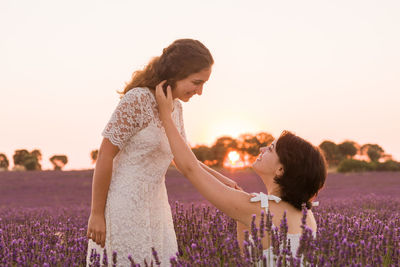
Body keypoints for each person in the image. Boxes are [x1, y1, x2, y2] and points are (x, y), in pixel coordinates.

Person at [86, 39, 239, 266]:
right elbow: (105, 155)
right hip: (124, 204)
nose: (200, 92)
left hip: (157, 207)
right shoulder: (137, 99)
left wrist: (224, 180)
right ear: (176, 73)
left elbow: (184, 158)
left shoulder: (175, 108)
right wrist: (97, 213)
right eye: (196, 82)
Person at [155, 85, 327, 266]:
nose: (262, 149)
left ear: (281, 170)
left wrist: (166, 116)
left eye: (270, 149)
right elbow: (191, 165)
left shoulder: (257, 210)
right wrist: (227, 184)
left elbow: (189, 169)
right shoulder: (306, 215)